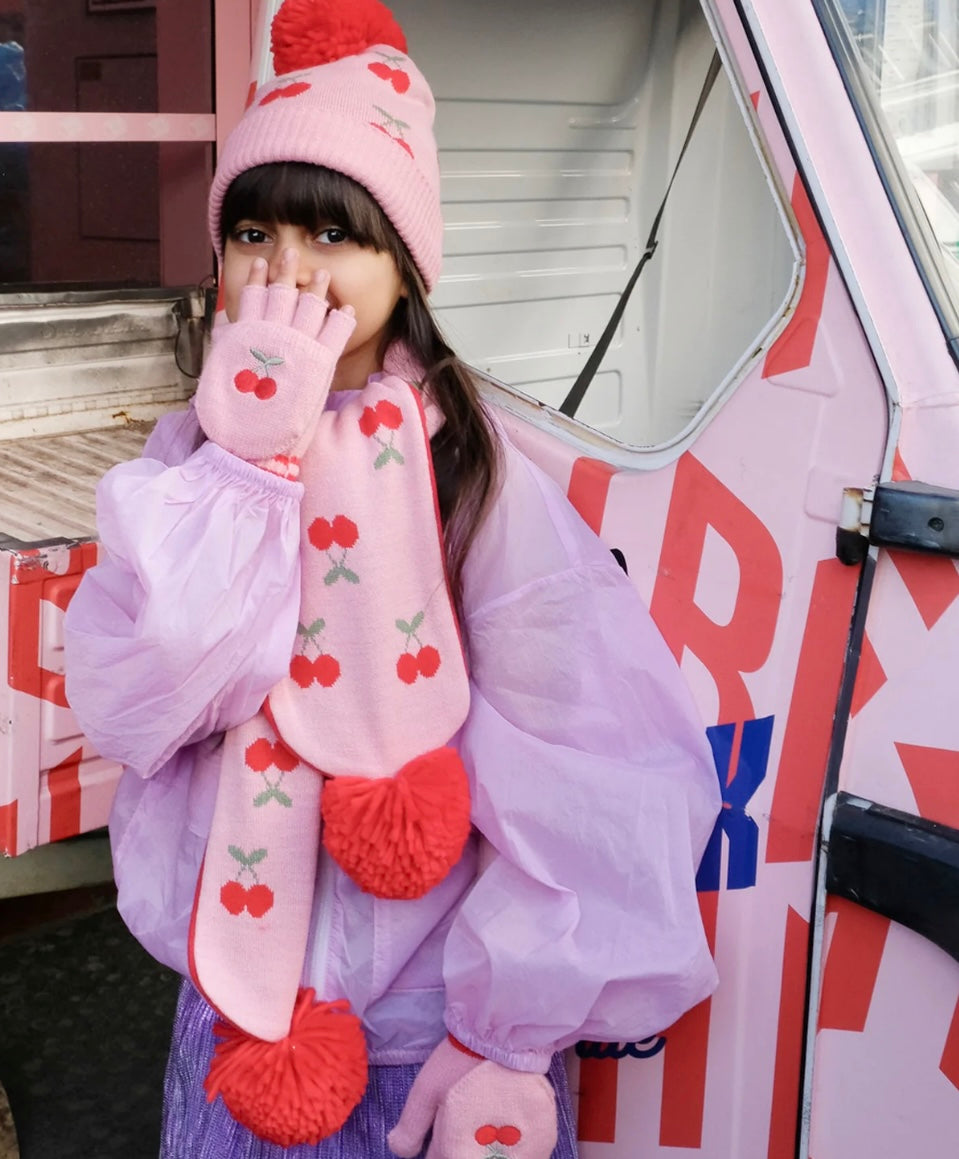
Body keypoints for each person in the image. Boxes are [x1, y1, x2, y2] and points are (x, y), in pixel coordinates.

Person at [63, 1, 721, 1155]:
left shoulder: (467, 474)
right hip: (241, 1001)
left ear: (402, 263)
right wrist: (252, 468)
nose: (289, 271)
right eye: (255, 235)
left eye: (332, 236)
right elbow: (140, 695)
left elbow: (592, 766)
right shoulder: (188, 466)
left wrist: (502, 1034)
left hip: (424, 1034)